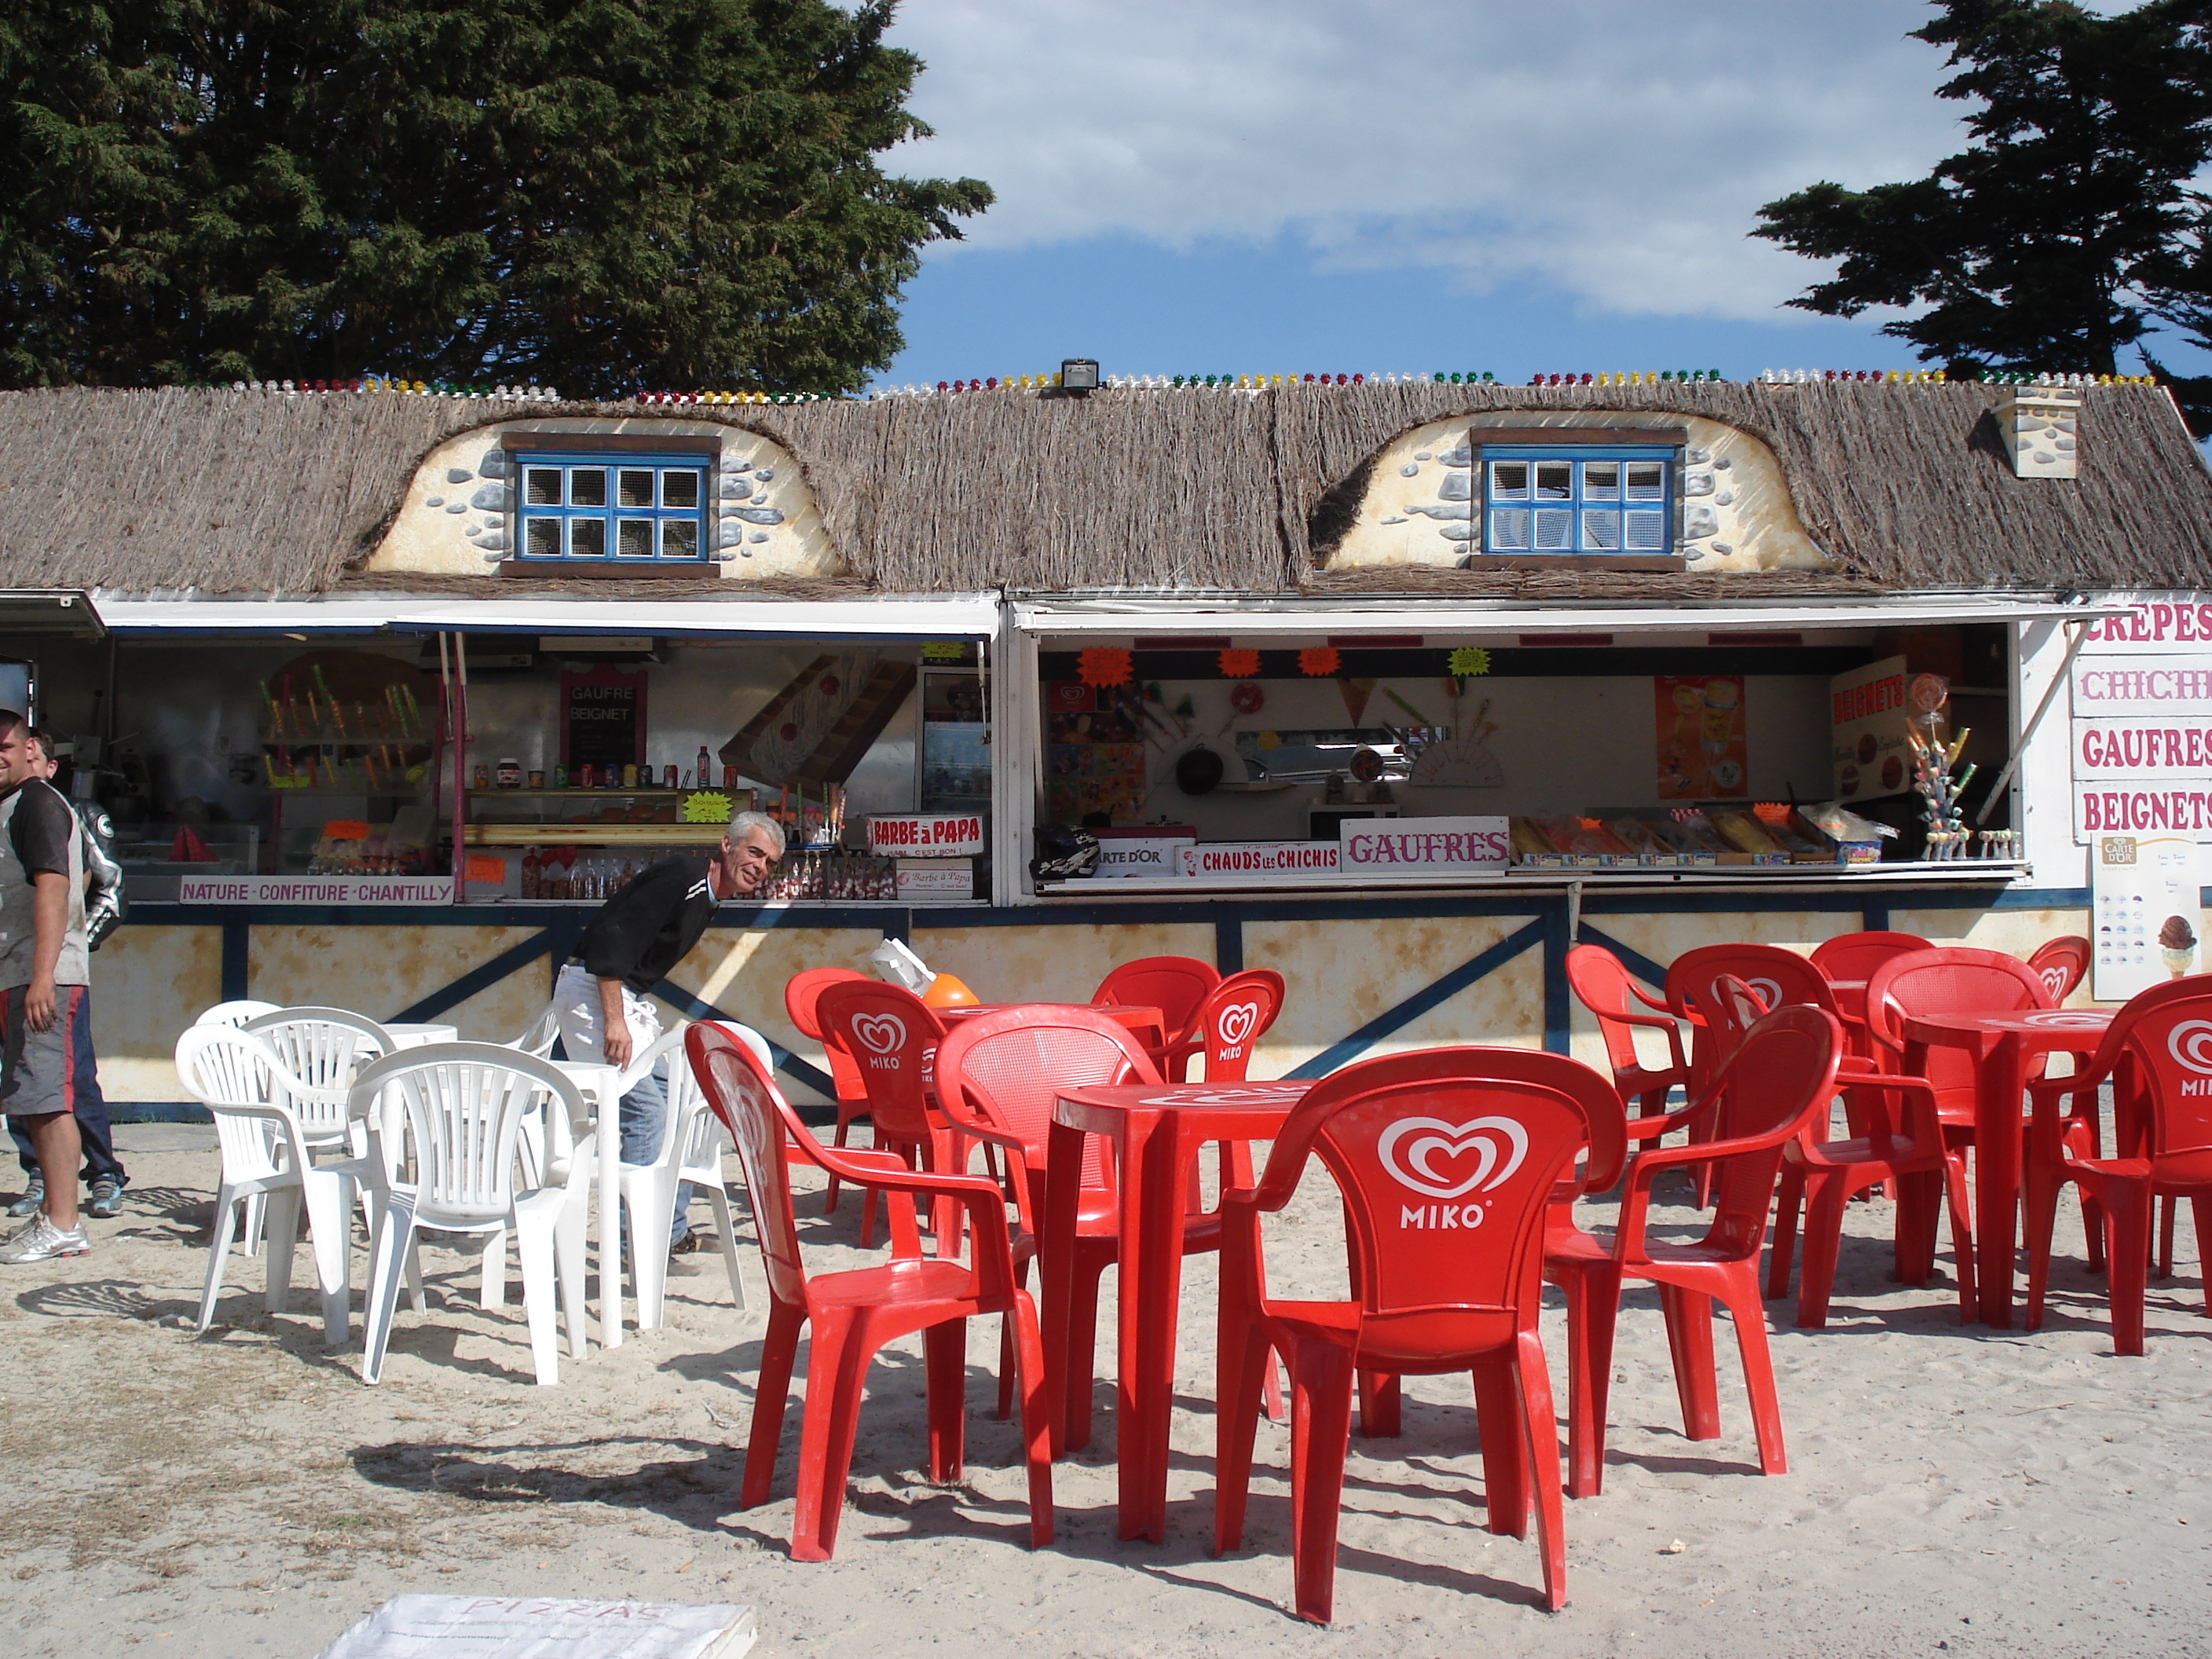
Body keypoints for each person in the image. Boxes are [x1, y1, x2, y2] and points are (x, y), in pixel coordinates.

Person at [555, 809, 782, 1254]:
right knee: (647, 1113)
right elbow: (610, 940)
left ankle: (671, 1231)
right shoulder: (683, 880)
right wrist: (615, 1021)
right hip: (595, 994)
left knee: (680, 1101)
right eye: (754, 852)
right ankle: (636, 1242)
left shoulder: (708, 893)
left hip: (624, 997)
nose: (760, 866)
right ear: (726, 845)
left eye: (770, 861)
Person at [5, 731, 126, 1221]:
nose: (29, 761)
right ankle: (38, 1172)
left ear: (49, 764)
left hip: (52, 971)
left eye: (34, 754)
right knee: (22, 1082)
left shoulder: (67, 811)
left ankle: (102, 1173)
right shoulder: (10, 811)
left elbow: (105, 889)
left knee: (70, 1078)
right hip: (15, 970)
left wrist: (70, 950)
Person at [0, 711, 93, 1261]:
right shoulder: (17, 805)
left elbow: (55, 889)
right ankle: (52, 1214)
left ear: (29, 747)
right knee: (32, 1100)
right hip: (19, 970)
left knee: (47, 1099)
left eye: (5, 746)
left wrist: (42, 975)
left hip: (41, 975)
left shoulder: (36, 800)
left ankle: (63, 1223)